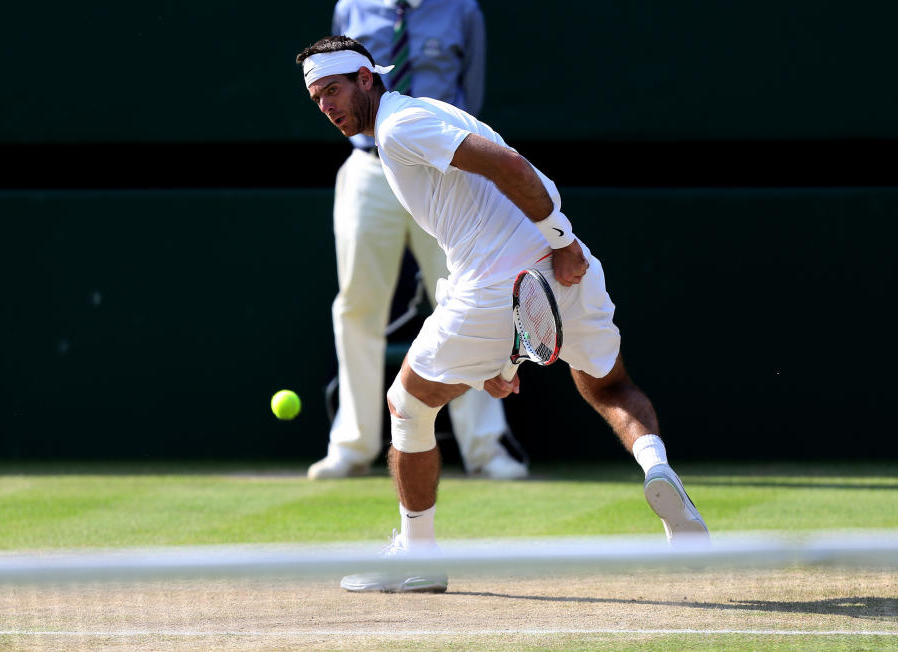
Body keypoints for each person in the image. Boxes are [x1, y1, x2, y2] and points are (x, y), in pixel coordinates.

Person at [296, 36, 710, 593]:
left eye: (333, 90)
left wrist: (557, 238)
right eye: (316, 98)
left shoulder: (399, 127)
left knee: (406, 405)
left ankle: (417, 558)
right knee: (609, 387)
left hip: (511, 275)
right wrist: (508, 343)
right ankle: (657, 468)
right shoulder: (426, 114)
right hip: (564, 272)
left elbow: (508, 164)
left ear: (366, 79)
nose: (326, 107)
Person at [308, 0, 528, 481]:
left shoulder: (462, 11)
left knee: (472, 299)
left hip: (444, 174)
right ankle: (353, 445)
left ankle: (485, 449)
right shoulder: (351, 9)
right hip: (368, 168)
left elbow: (470, 92)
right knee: (357, 306)